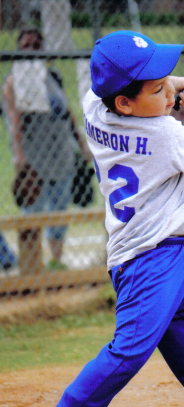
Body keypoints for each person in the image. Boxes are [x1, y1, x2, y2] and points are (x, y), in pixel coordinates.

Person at [17, 31, 184, 407]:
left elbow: (125, 96)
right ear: (125, 103)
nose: (167, 92)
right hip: (149, 261)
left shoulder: (96, 108)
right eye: (157, 88)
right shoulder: (163, 136)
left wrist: (173, 89)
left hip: (173, 252)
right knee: (128, 352)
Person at [2, 26, 91, 271]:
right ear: (18, 50)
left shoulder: (53, 76)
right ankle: (33, 267)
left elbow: (69, 114)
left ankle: (55, 262)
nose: (31, 50)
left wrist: (81, 146)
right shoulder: (13, 82)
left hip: (61, 156)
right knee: (33, 214)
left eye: (36, 45)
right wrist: (19, 155)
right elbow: (13, 121)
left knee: (59, 214)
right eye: (26, 45)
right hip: (34, 160)